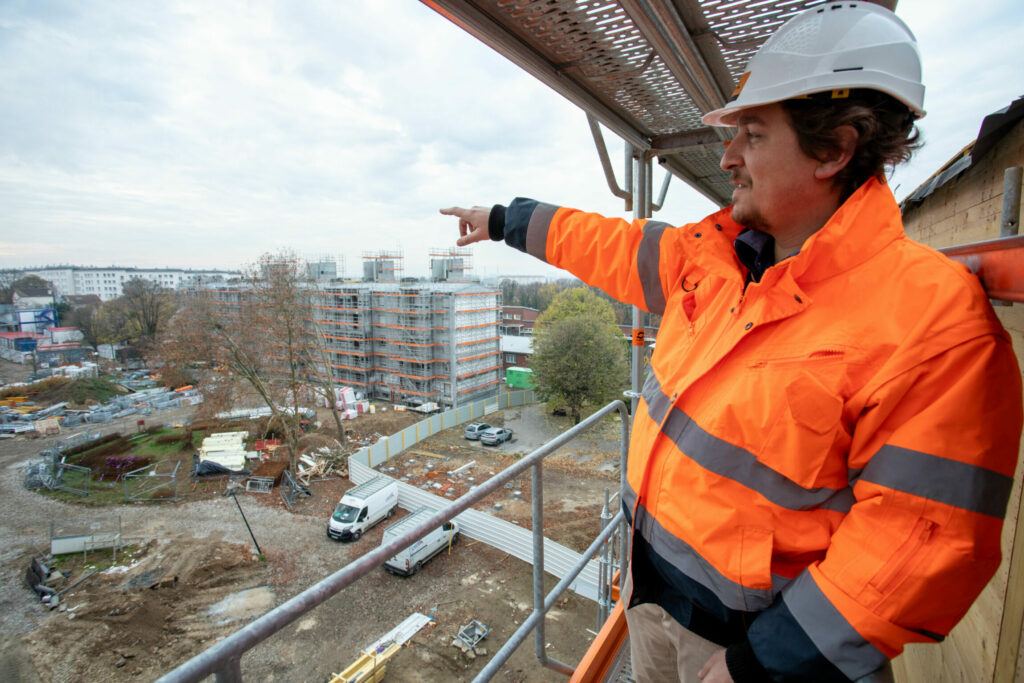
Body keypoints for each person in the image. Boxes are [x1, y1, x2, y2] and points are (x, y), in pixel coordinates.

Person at [441, 4, 1022, 682]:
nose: (728, 156)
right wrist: (505, 220)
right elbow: (606, 243)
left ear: (833, 148)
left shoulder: (932, 323)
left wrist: (760, 664)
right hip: (650, 603)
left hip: (749, 657)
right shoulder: (710, 261)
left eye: (751, 132)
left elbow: (921, 540)